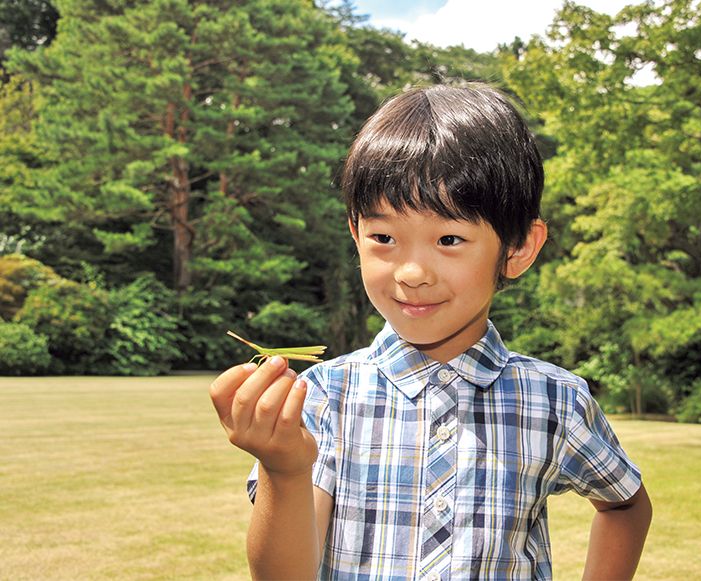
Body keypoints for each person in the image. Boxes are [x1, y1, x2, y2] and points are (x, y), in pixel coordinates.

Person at [209, 83, 652, 580]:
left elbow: (625, 505)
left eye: (449, 238)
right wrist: (283, 469)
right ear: (355, 234)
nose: (411, 272)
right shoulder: (322, 397)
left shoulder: (555, 400)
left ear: (519, 248)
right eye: (384, 237)